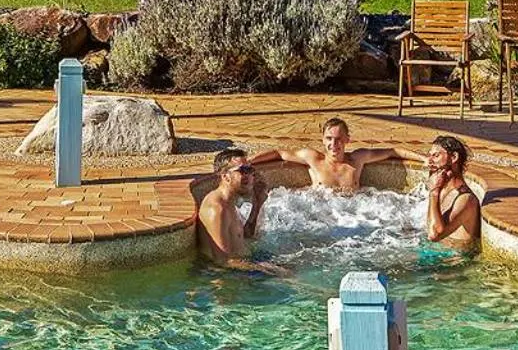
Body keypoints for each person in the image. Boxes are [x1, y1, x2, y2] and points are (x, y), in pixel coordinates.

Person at [248, 116, 396, 194]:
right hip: (321, 216)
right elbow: (279, 153)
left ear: (347, 140)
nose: (334, 144)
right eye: (329, 139)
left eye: (338, 139)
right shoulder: (313, 158)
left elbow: (393, 151)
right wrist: (248, 162)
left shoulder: (357, 159)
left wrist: (420, 159)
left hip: (352, 217)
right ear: (323, 140)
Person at [197, 148, 287, 274]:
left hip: (242, 265)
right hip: (226, 276)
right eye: (243, 171)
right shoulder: (217, 209)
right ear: (225, 176)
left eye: (250, 170)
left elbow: (247, 235)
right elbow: (222, 261)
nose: (250, 176)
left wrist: (259, 201)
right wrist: (270, 270)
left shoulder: (229, 202)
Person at [424, 135, 480, 250]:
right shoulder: (443, 190)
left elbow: (434, 235)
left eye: (436, 156)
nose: (429, 162)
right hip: (437, 255)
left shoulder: (466, 199)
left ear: (454, 157)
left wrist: (434, 193)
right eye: (429, 156)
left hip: (453, 261)